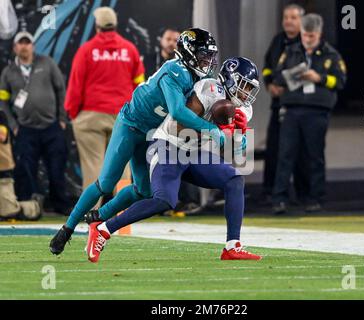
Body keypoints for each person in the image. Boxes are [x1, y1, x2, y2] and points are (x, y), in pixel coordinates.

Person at [49, 28, 225, 255]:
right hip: (131, 126)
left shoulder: (197, 77)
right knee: (106, 183)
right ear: (189, 53)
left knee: (144, 190)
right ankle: (67, 229)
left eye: (209, 56)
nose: (207, 61)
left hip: (151, 133)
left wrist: (230, 131)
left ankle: (99, 217)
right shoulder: (174, 71)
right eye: (203, 55)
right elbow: (178, 112)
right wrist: (212, 130)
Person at [85, 57, 262, 263]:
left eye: (250, 87)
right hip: (168, 145)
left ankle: (232, 246)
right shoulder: (208, 89)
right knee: (164, 201)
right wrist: (216, 130)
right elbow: (178, 126)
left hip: (193, 153)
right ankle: (103, 229)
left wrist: (238, 135)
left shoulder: (243, 108)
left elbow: (231, 150)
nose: (247, 92)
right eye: (245, 85)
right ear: (231, 79)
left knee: (234, 180)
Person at [65, 7, 145, 203]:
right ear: (115, 25)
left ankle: (91, 216)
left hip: (91, 116)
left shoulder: (86, 50)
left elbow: (76, 85)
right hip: (123, 116)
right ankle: (125, 218)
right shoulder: (130, 50)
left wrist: (72, 112)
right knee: (124, 167)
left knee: (93, 169)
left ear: (97, 26)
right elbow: (140, 85)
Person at [272, 14, 347, 214]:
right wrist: (293, 74)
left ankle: (315, 197)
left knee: (314, 156)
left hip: (317, 110)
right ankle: (279, 199)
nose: (307, 39)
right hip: (292, 108)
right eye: (305, 35)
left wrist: (319, 78)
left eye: (311, 36)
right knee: (286, 154)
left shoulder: (331, 54)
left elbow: (340, 81)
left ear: (319, 35)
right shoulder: (291, 52)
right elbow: (277, 75)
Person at [0, 31, 70, 215]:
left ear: (33, 45)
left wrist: (62, 119)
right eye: (20, 43)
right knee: (26, 170)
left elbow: (61, 90)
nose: (24, 46)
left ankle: (60, 205)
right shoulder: (8, 72)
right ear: (15, 47)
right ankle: (31, 207)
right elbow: (3, 102)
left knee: (57, 168)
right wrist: (13, 125)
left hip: (51, 127)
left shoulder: (47, 63)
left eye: (27, 42)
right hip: (25, 129)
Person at [262, 3, 309, 204]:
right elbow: (266, 66)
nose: (288, 21)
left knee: (300, 151)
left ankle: (303, 193)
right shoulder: (277, 41)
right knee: (273, 148)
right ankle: (269, 191)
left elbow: (308, 69)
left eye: (293, 17)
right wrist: (270, 84)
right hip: (277, 104)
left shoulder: (308, 41)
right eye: (286, 17)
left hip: (299, 105)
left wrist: (288, 86)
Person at [0, 109, 42, 220]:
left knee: (8, 211)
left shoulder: (1, 115)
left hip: (2, 173)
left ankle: (34, 207)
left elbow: (2, 136)